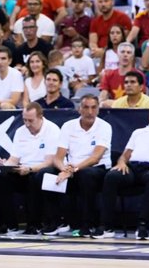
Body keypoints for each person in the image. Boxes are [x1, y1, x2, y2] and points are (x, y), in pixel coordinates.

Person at [93, 99, 149, 240]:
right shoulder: (138, 132)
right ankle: (106, 226)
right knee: (112, 176)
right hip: (132, 168)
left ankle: (143, 225)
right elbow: (125, 155)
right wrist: (121, 163)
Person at [46, 95, 112, 237]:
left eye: (93, 107)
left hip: (97, 169)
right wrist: (64, 169)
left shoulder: (105, 127)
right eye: (86, 107)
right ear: (79, 109)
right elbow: (58, 158)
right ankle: (56, 222)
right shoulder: (68, 126)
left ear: (98, 109)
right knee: (46, 175)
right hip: (71, 168)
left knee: (86, 175)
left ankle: (86, 224)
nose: (90, 111)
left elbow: (95, 158)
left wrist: (73, 170)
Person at [0, 102, 60, 234]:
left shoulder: (53, 130)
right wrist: (5, 165)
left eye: (30, 120)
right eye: (24, 120)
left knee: (36, 177)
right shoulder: (20, 131)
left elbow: (50, 161)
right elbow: (14, 158)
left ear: (40, 117)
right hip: (23, 170)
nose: (27, 124)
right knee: (1, 179)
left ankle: (34, 224)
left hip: (44, 170)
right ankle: (9, 224)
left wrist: (30, 169)